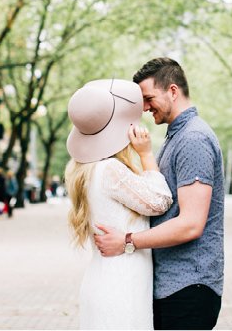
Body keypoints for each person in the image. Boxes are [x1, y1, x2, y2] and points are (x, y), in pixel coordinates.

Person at [94, 58, 225, 330]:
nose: (143, 107)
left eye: (148, 97)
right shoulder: (174, 138)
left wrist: (126, 241)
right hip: (172, 285)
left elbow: (191, 224)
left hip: (189, 286)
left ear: (173, 91)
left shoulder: (193, 139)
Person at [65, 78, 173, 330]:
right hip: (121, 287)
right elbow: (161, 201)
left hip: (102, 281)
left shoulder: (85, 172)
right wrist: (146, 154)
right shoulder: (110, 170)